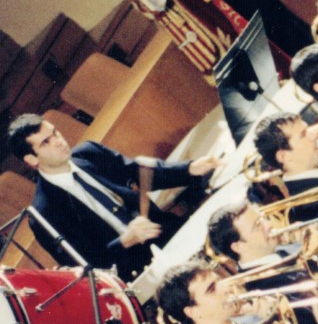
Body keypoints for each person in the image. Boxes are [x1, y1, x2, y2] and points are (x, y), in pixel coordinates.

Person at [6, 113, 219, 279]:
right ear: (32, 159)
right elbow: (85, 266)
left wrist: (190, 168)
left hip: (169, 234)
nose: (58, 141)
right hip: (139, 271)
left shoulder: (90, 152)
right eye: (46, 143)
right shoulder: (43, 214)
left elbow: (138, 171)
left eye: (55, 133)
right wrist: (124, 241)